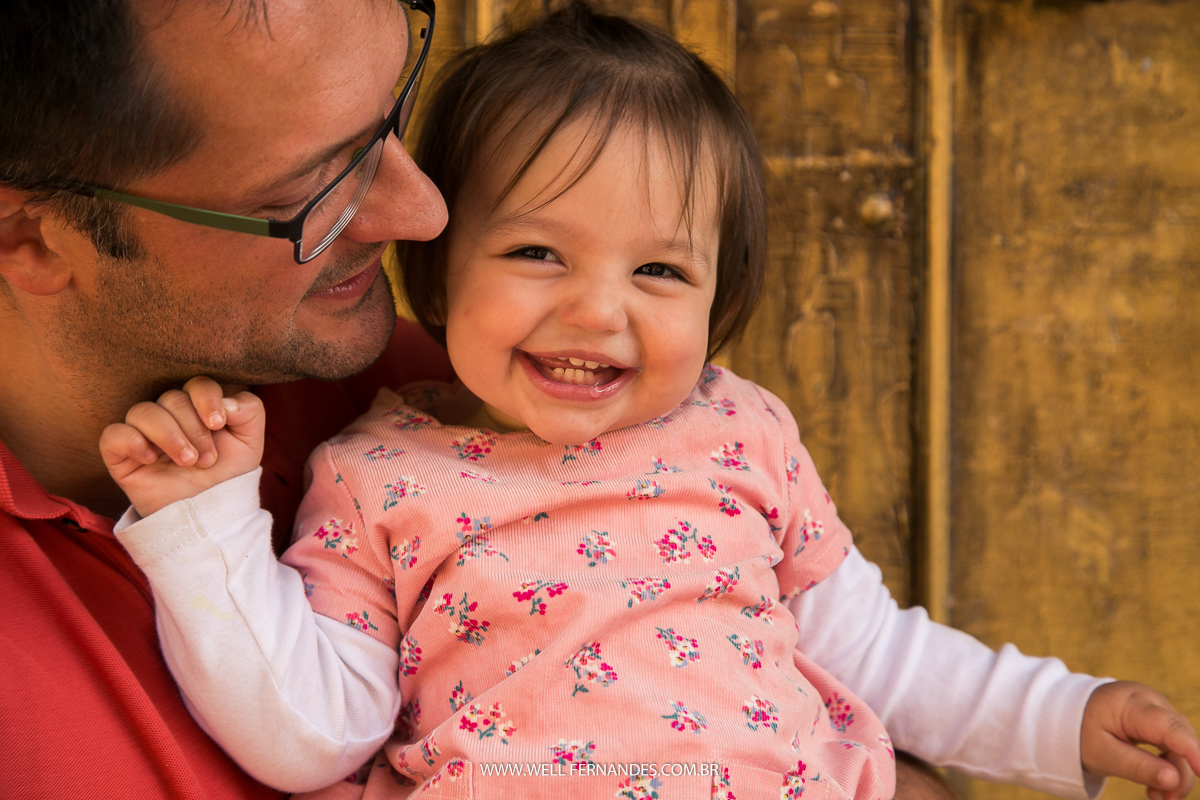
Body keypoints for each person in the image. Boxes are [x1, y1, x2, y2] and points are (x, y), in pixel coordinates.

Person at [98, 5, 1200, 800]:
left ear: (722, 300)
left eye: (660, 271)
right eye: (537, 252)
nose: (597, 312)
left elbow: (878, 656)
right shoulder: (375, 474)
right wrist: (206, 525)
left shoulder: (741, 433)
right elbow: (315, 733)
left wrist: (1066, 718)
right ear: (435, 265)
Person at [0, 0, 451, 796]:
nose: (424, 213)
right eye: (314, 187)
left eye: (394, 110)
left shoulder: (438, 410)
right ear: (31, 239)